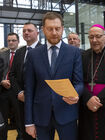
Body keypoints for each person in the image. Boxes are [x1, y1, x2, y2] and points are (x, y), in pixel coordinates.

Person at [24, 12, 83, 140]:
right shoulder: (33, 55)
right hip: (41, 116)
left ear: (62, 28)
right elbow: (29, 90)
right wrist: (29, 122)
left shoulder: (74, 52)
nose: (54, 32)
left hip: (67, 113)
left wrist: (75, 93)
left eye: (57, 28)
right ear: (43, 30)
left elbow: (79, 82)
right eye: (50, 29)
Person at [9, 22, 41, 140]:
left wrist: (30, 95)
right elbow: (12, 75)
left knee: (39, 132)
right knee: (23, 131)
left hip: (38, 100)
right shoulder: (19, 52)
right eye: (24, 31)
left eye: (29, 30)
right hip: (21, 100)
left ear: (37, 33)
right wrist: (19, 92)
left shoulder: (44, 50)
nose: (26, 33)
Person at [0, 32, 23, 140]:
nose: (11, 42)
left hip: (17, 91)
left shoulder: (23, 54)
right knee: (3, 120)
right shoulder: (2, 55)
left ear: (18, 41)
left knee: (19, 118)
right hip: (3, 91)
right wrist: (1, 81)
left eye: (13, 40)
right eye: (9, 40)